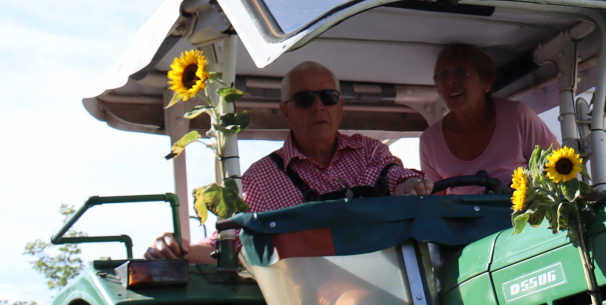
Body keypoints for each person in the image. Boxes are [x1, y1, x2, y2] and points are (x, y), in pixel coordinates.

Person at [145, 61, 426, 262]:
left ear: (340, 108)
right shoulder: (261, 179)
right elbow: (232, 243)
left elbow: (396, 176)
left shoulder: (368, 151)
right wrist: (176, 249)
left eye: (328, 97)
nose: (318, 106)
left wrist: (410, 184)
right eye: (304, 99)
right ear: (286, 112)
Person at [419, 45, 558, 192]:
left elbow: (558, 170)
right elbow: (436, 202)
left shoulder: (517, 116)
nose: (450, 81)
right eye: (442, 76)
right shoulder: (429, 141)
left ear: (486, 82)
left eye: (460, 72)